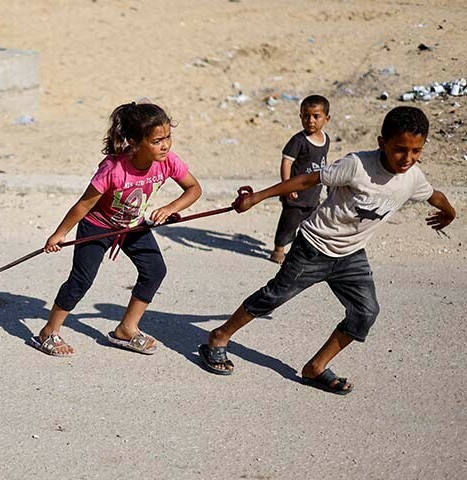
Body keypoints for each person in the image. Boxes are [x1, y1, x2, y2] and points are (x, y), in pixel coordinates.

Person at [198, 106, 456, 394]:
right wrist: (256, 197)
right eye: (399, 149)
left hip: (351, 256)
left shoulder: (413, 177)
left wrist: (450, 212)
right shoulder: (357, 165)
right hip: (313, 246)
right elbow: (308, 180)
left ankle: (315, 367)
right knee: (273, 296)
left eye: (416, 151)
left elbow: (434, 195)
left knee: (365, 312)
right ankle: (219, 337)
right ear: (382, 142)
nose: (407, 158)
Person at [30, 101, 202, 356]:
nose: (165, 145)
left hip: (133, 226)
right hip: (98, 226)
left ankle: (126, 329)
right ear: (134, 141)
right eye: (156, 141)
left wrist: (171, 207)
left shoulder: (168, 161)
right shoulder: (113, 168)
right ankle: (48, 333)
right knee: (81, 281)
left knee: (155, 271)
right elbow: (84, 205)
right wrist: (60, 233)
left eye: (168, 137)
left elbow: (194, 189)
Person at [271, 95, 331, 264]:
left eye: (316, 116)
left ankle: (303, 252)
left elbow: (322, 162)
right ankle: (279, 249)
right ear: (300, 116)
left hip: (313, 193)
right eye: (306, 116)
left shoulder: (325, 140)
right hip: (295, 194)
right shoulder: (298, 141)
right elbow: (286, 162)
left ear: (326, 119)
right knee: (289, 223)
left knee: (312, 224)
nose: (310, 120)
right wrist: (287, 186)